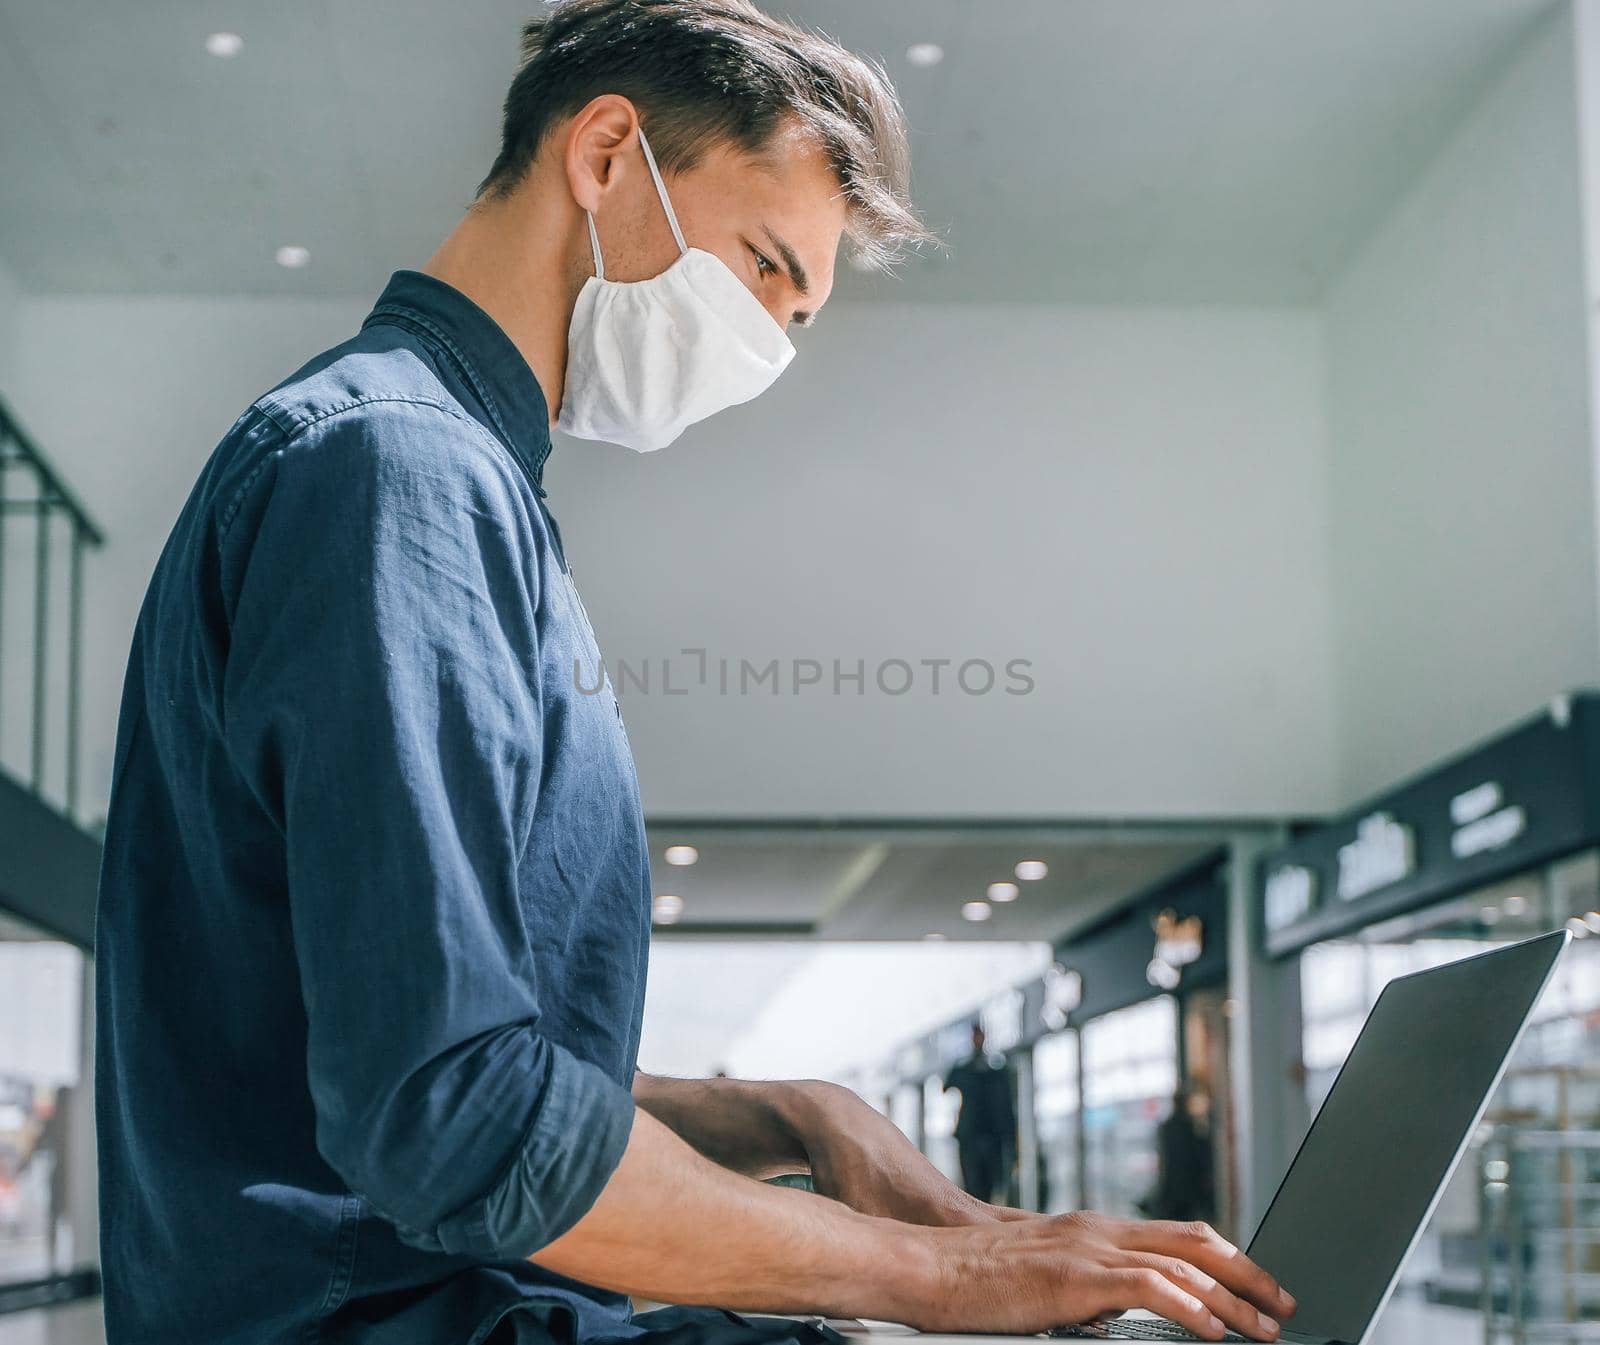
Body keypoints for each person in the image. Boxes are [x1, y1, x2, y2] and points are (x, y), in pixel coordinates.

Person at [93, 3, 1297, 1343]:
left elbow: (421, 1056)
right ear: (606, 156)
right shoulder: (397, 472)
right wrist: (941, 1278)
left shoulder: (452, 480)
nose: (764, 352)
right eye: (759, 269)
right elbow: (450, 1123)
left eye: (796, 320)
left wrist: (788, 1116)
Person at [942, 1025, 1017, 1205]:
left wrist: (1012, 1146)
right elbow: (947, 1086)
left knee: (990, 1189)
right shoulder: (966, 1070)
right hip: (972, 1140)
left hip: (992, 1140)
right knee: (973, 1189)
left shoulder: (997, 1071)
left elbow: (1007, 1111)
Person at [1140, 1085, 1218, 1225]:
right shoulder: (1191, 1127)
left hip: (1170, 1189)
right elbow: (1201, 1158)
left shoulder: (1166, 1127)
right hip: (1188, 1191)